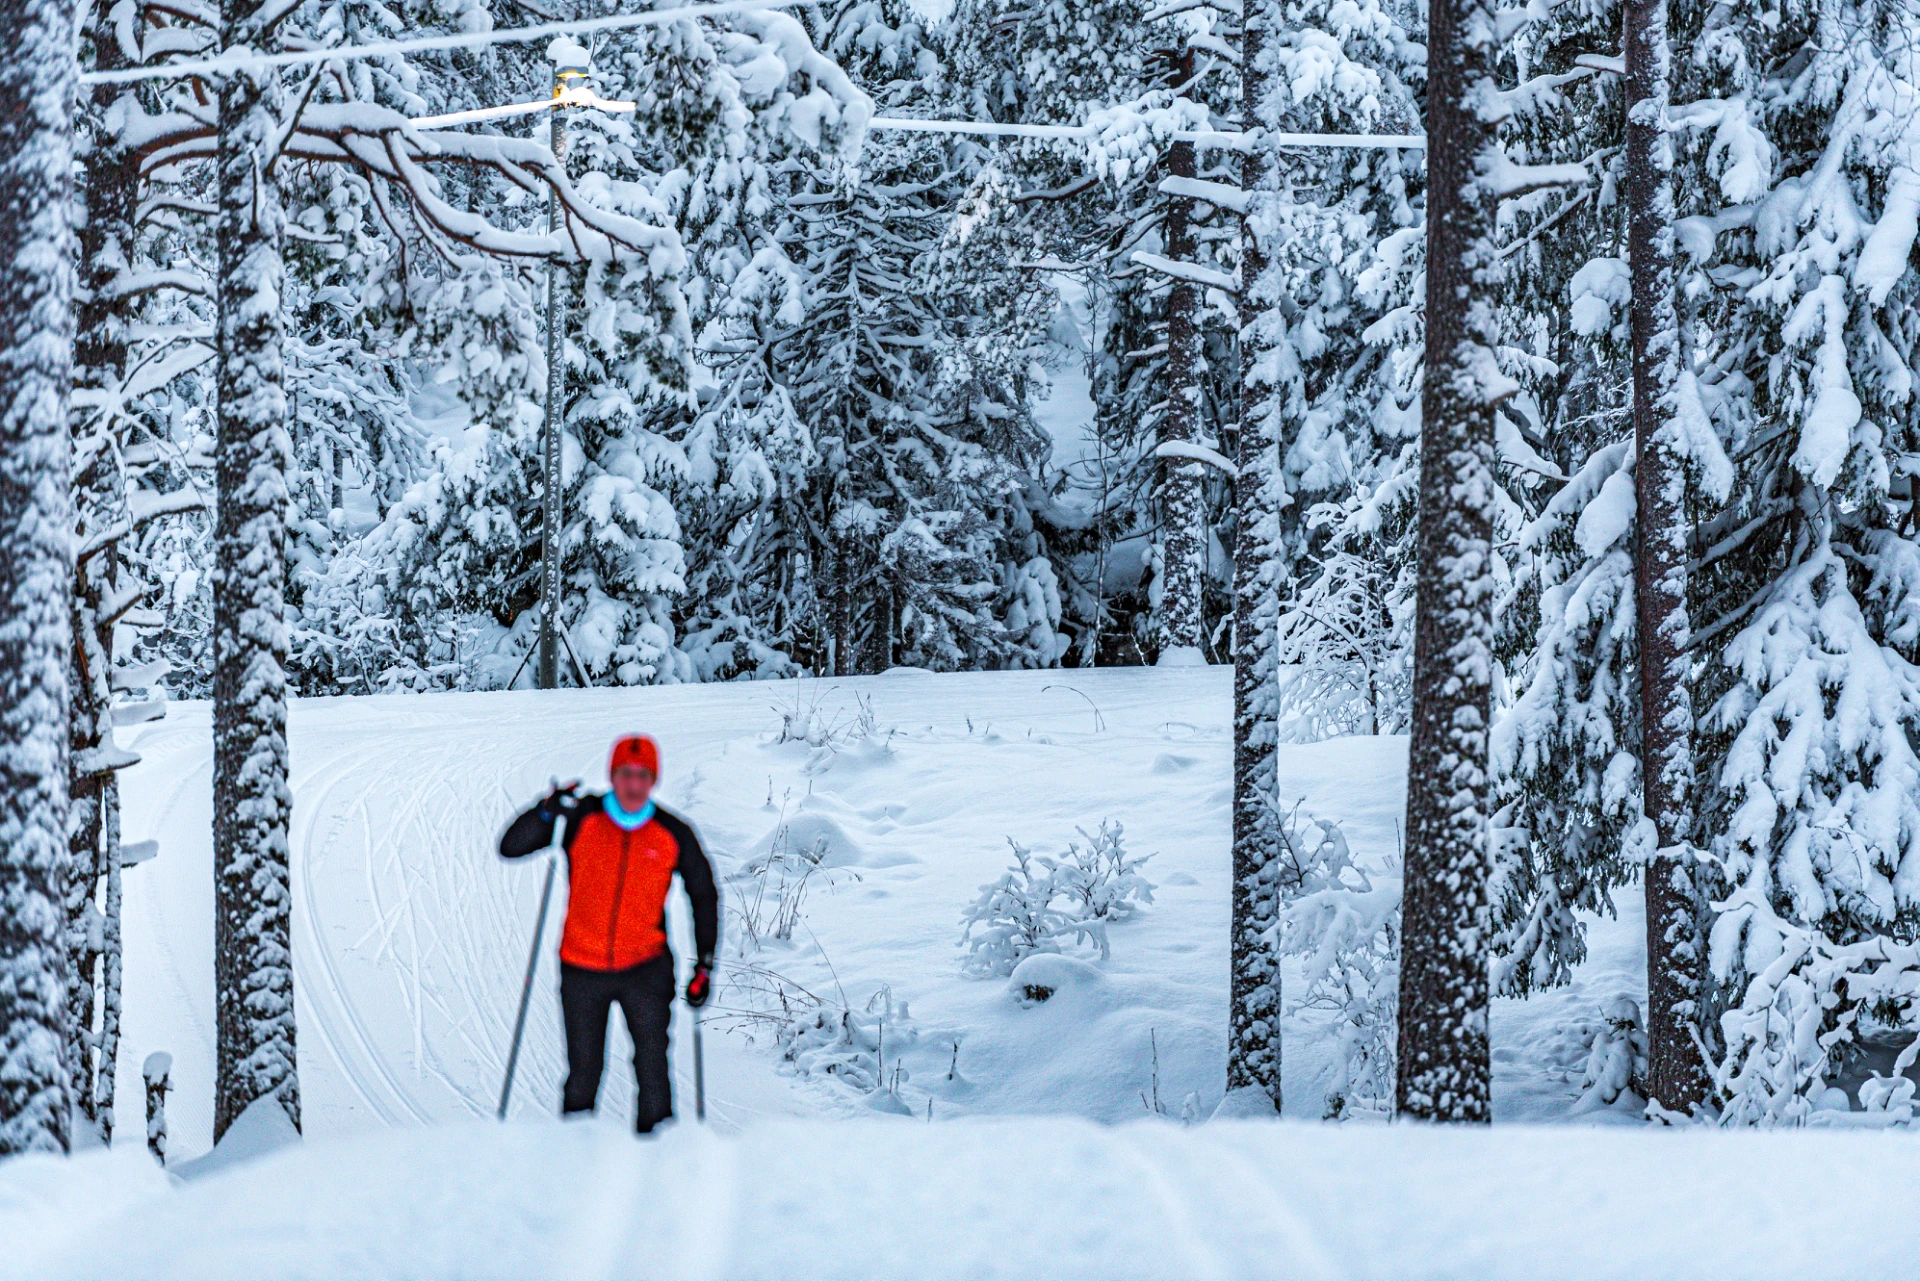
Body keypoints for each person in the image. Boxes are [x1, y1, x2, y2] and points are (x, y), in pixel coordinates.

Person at [498, 734, 718, 1133]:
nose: (633, 785)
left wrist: (704, 965)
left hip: (646, 968)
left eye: (643, 776)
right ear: (611, 775)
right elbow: (510, 847)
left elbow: (703, 895)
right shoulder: (580, 817)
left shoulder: (673, 833)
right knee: (583, 1076)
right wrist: (545, 812)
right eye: (624, 774)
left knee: (653, 1076)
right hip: (581, 968)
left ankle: (658, 1169)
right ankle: (577, 1170)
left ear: (654, 779)